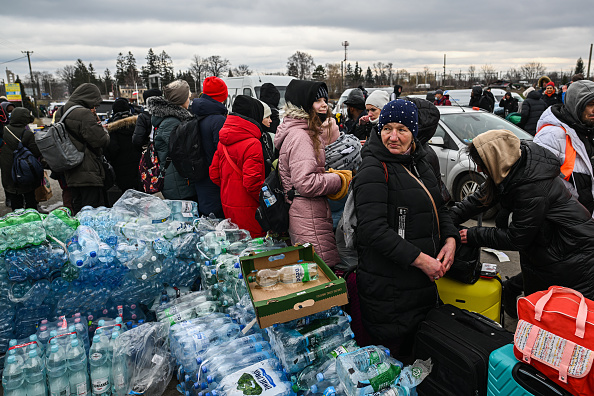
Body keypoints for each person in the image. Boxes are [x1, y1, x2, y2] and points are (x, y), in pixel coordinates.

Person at [353, 99, 458, 357]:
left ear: (413, 133)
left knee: (420, 353)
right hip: (388, 288)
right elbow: (372, 229)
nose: (393, 137)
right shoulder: (373, 168)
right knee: (395, 358)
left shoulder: (420, 162)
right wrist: (421, 260)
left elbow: (440, 206)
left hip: (419, 283)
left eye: (402, 129)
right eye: (387, 128)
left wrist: (451, 239)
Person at [452, 129, 594, 300]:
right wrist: (445, 219)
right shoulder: (510, 169)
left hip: (573, 252)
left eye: (482, 164)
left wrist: (472, 234)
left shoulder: (532, 187)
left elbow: (517, 238)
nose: (479, 169)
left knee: (557, 312)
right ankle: (511, 294)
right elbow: (477, 201)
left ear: (496, 159)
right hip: (553, 248)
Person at [275, 80, 350, 268]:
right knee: (321, 269)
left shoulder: (304, 131)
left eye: (325, 99)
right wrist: (339, 179)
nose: (325, 104)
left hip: (308, 212)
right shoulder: (301, 136)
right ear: (304, 104)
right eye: (318, 101)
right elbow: (306, 183)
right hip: (308, 216)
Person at [534, 79, 594, 215]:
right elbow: (539, 187)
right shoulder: (551, 136)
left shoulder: (588, 131)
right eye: (590, 105)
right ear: (575, 105)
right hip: (570, 223)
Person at [209, 95, 266, 237]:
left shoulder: (223, 141)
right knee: (254, 247)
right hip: (250, 207)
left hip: (227, 203)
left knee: (236, 247)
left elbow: (214, 174)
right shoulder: (253, 143)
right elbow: (252, 183)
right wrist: (265, 199)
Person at [54, 83, 110, 213]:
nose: (95, 106)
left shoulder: (61, 111)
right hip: (87, 168)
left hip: (70, 167)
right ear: (89, 97)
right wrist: (104, 130)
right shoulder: (83, 114)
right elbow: (101, 140)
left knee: (77, 207)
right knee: (92, 210)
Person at [146, 80, 196, 201]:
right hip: (177, 184)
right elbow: (183, 151)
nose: (189, 101)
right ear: (180, 100)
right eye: (187, 97)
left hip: (175, 179)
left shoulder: (171, 119)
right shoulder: (172, 122)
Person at [190, 76, 228, 217]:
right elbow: (222, 151)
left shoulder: (196, 114)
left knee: (206, 218)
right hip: (214, 178)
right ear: (222, 96)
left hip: (200, 174)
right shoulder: (218, 120)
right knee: (217, 221)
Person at [0, 108, 40, 210]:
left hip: (8, 172)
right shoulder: (27, 134)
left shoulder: (3, 131)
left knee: (15, 201)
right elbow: (36, 152)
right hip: (24, 172)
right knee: (30, 199)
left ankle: (17, 220)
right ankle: (32, 220)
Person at [105, 98, 142, 195]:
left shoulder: (111, 127)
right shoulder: (138, 123)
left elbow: (112, 149)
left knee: (126, 197)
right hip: (138, 165)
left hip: (120, 168)